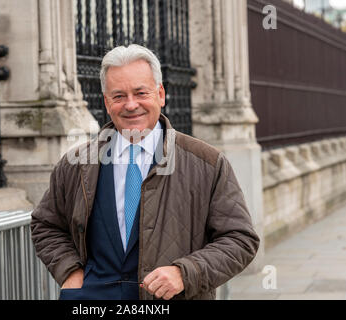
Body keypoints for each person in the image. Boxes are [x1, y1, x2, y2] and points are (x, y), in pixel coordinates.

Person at [31, 44, 260, 300]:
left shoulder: (207, 163)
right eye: (118, 96)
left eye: (141, 92)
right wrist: (70, 272)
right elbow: (45, 224)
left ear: (160, 94)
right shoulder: (74, 164)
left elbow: (241, 240)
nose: (131, 105)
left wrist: (185, 274)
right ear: (107, 102)